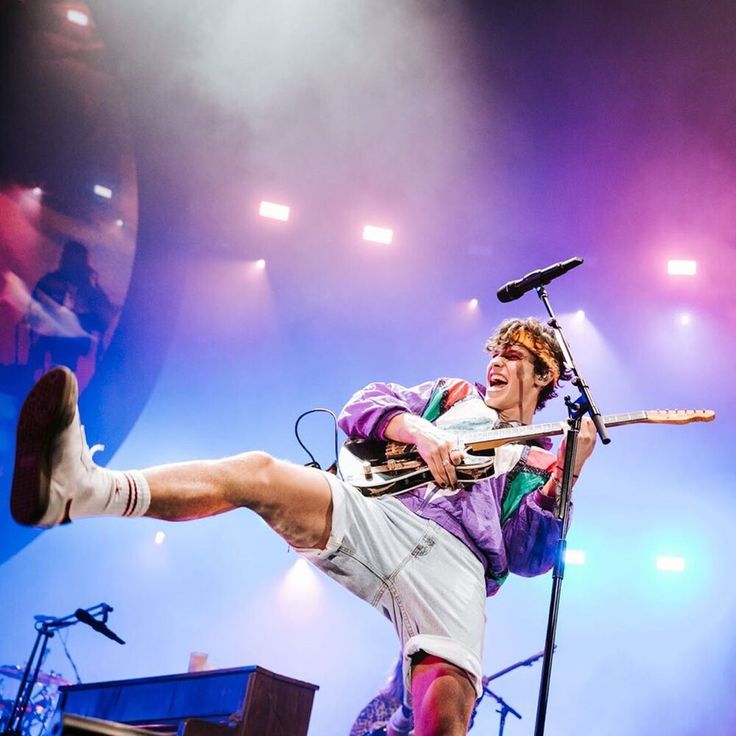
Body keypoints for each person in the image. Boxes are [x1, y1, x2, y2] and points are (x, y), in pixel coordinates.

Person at [10, 317, 596, 736]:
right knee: (257, 472)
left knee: (445, 716)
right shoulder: (451, 395)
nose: (496, 361)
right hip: (383, 515)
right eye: (495, 351)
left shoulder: (544, 457)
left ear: (545, 376)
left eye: (514, 357)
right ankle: (82, 489)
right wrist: (417, 430)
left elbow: (529, 557)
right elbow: (362, 404)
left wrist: (565, 479)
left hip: (458, 570)